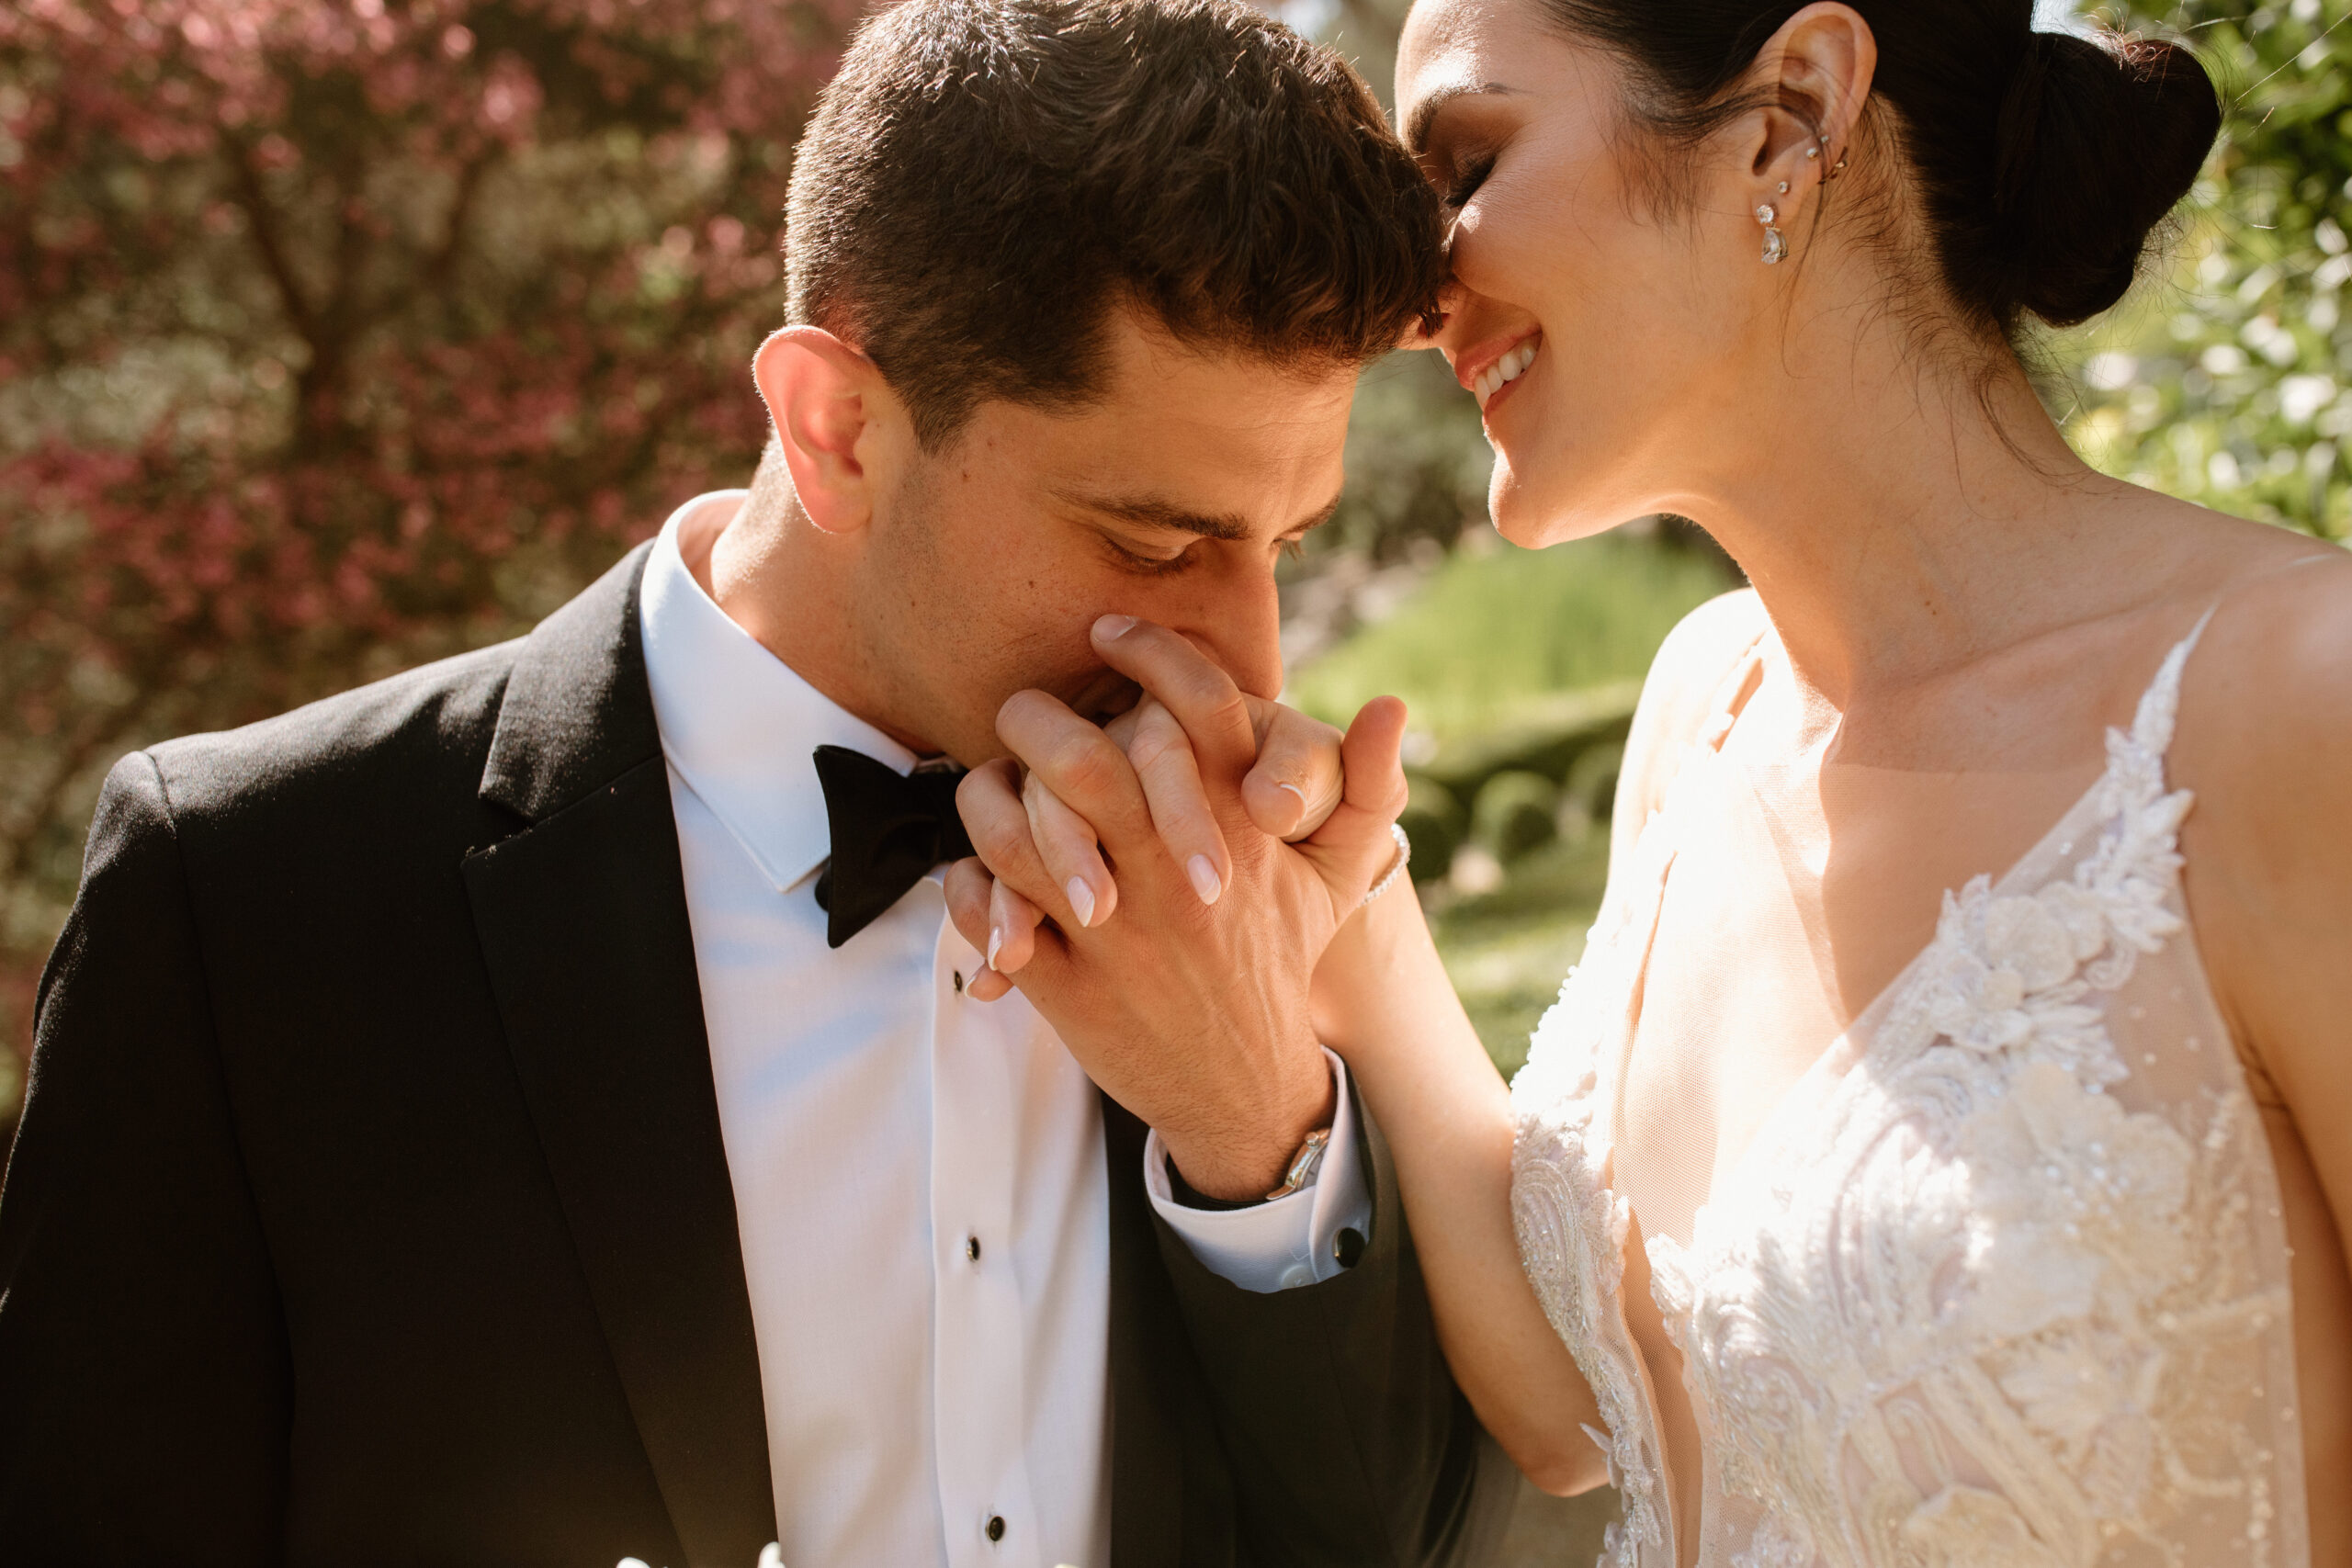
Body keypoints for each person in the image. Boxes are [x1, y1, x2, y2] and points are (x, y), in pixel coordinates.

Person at [0, 2, 1522, 1562]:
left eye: (1285, 546)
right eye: (1152, 543)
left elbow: (1381, 1531)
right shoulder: (250, 899)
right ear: (835, 428)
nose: (1252, 662)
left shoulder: (1277, 884)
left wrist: (1251, 1122)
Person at [958, 1, 2352, 1563]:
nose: (1418, 296)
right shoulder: (1708, 703)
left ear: (1789, 113)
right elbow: (1585, 1406)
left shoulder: (2300, 707)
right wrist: (1343, 917)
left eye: (1470, 162)